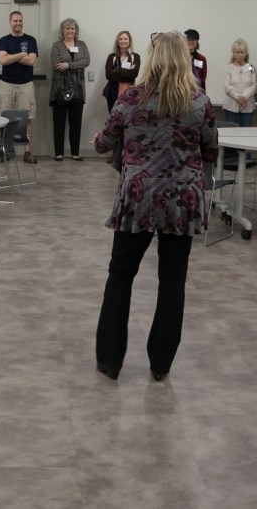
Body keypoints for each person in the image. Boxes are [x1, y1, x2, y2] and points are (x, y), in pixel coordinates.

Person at [92, 30, 218, 382]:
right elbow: (210, 150)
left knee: (120, 275)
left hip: (138, 198)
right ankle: (160, 364)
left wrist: (109, 143)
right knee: (172, 281)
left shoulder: (131, 99)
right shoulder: (199, 102)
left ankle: (110, 360)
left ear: (152, 58)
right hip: (182, 199)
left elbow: (104, 143)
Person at [0, 11, 38, 164]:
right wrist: (21, 54)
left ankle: (27, 152)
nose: (18, 23)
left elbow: (31, 61)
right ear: (10, 22)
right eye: (15, 21)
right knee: (3, 118)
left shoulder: (31, 40)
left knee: (27, 118)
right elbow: (3, 61)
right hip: (6, 84)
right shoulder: (3, 40)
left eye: (20, 20)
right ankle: (5, 150)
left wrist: (11, 56)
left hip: (26, 85)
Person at [49, 17, 90, 161]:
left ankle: (75, 153)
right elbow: (56, 64)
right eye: (67, 28)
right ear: (63, 30)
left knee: (76, 123)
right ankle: (59, 153)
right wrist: (75, 65)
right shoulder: (56, 46)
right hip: (60, 89)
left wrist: (68, 65)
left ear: (76, 30)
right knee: (59, 123)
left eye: (72, 28)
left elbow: (86, 61)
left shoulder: (82, 44)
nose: (70, 31)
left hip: (78, 89)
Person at [222, 38, 257, 127]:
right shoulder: (228, 68)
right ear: (233, 53)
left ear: (246, 53)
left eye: (242, 52)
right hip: (231, 105)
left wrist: (244, 97)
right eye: (237, 52)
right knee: (231, 132)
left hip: (248, 105)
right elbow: (227, 86)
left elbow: (255, 85)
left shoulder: (251, 68)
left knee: (246, 133)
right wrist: (239, 98)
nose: (240, 55)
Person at [102, 30, 141, 113]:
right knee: (113, 119)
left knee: (126, 119)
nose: (123, 41)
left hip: (129, 93)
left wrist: (117, 70)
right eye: (121, 39)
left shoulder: (135, 57)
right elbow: (108, 75)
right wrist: (127, 72)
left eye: (125, 39)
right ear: (118, 41)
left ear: (129, 41)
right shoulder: (111, 57)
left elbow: (134, 74)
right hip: (113, 93)